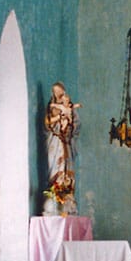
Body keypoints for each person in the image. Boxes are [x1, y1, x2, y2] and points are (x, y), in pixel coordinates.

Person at [43, 82, 80, 214]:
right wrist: (59, 117)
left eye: (60, 92)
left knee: (66, 169)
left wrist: (68, 122)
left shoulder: (69, 107)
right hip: (55, 141)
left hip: (65, 142)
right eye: (55, 92)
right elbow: (47, 123)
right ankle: (54, 199)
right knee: (55, 168)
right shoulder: (52, 107)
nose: (57, 95)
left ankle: (67, 200)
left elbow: (76, 125)